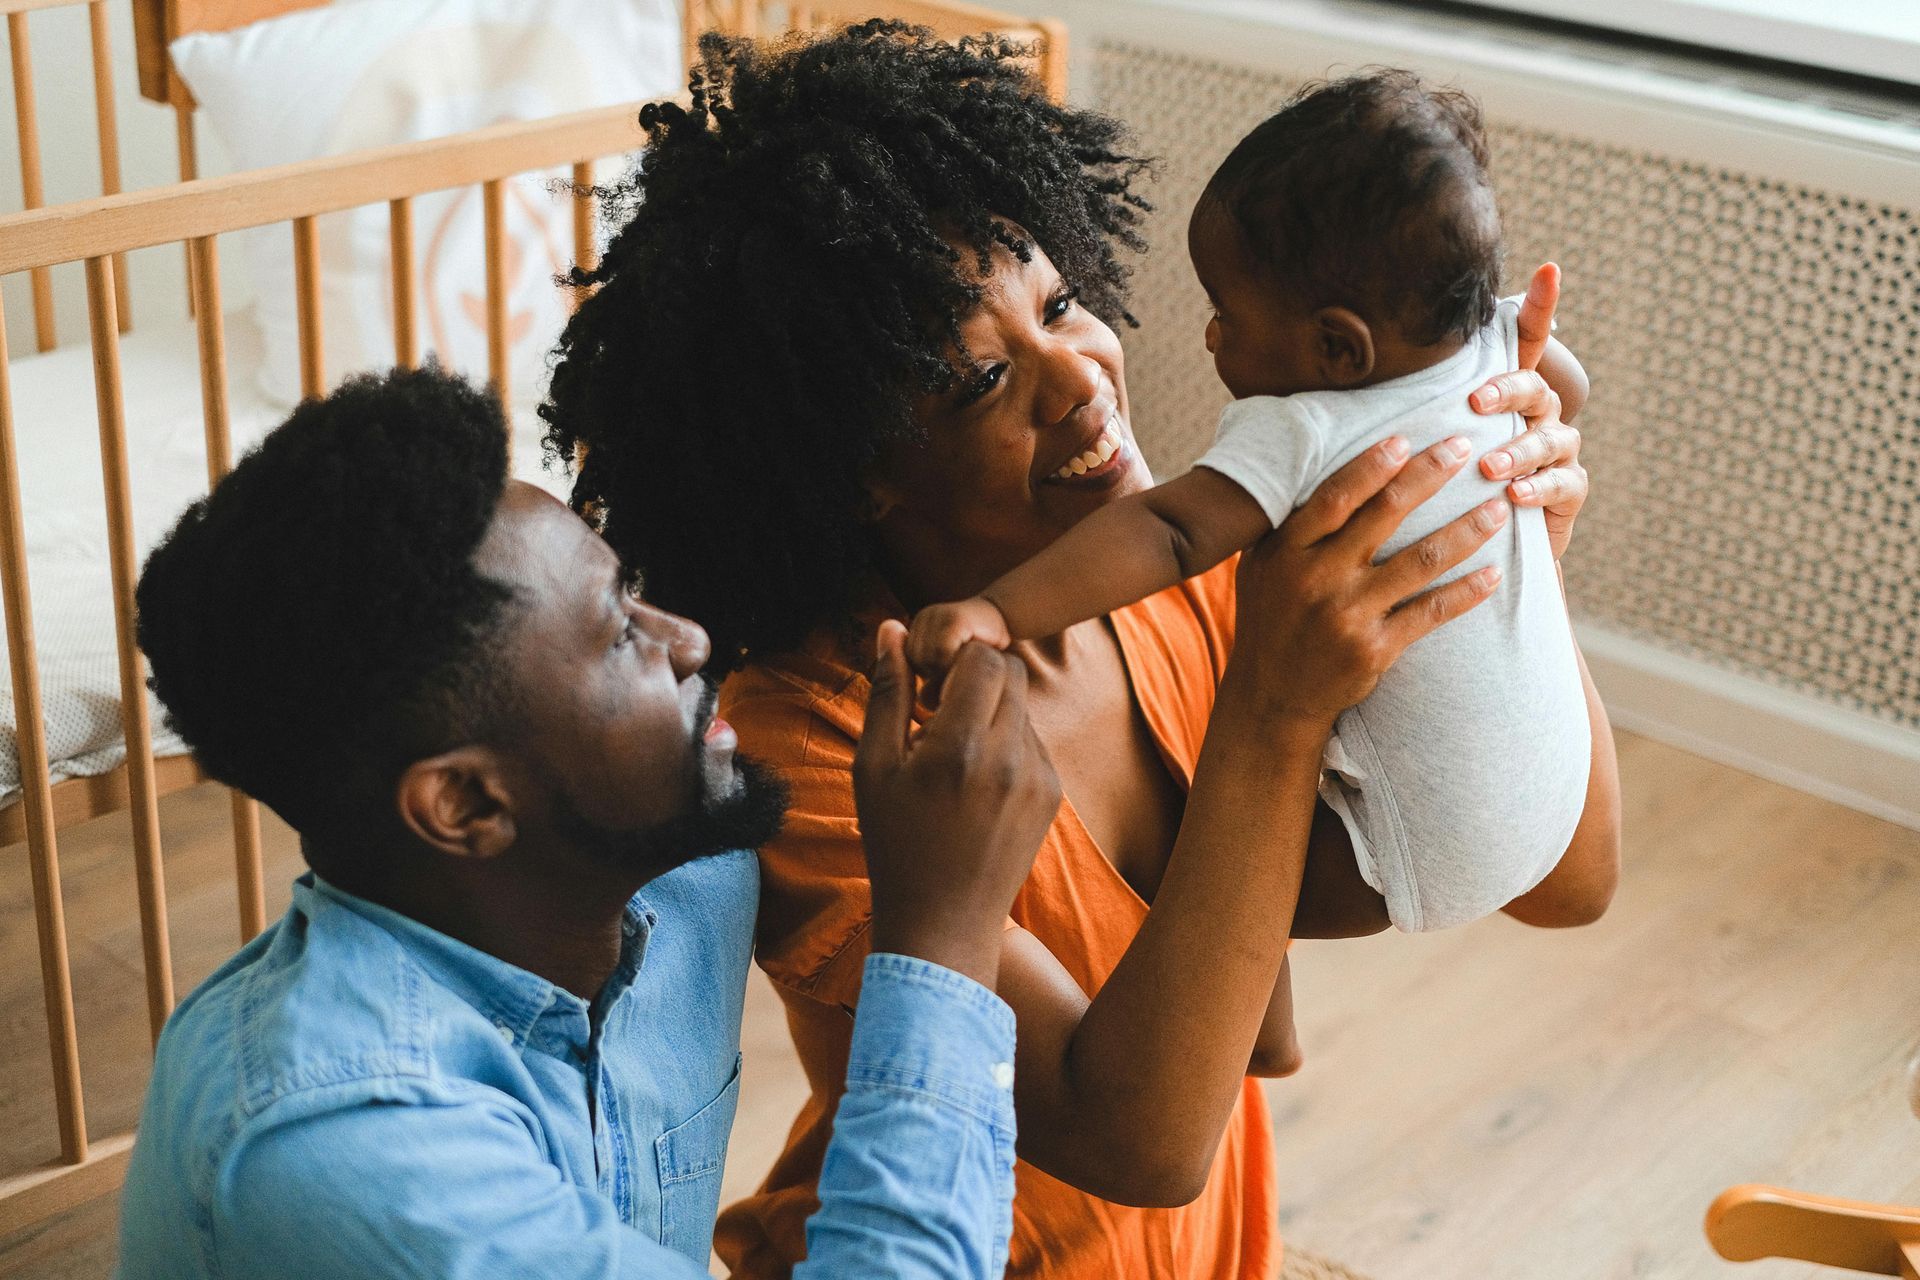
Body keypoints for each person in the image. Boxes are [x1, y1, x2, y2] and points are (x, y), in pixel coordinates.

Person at [542, 23, 1621, 1278]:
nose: (1083, 376)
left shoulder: (1171, 576)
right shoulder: (815, 747)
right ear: (854, 479)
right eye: (981, 382)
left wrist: (1513, 553)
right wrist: (1272, 713)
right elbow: (1144, 1139)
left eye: (1061, 305)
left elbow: (1566, 879)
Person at [116, 365, 1063, 1279]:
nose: (688, 640)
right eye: (621, 635)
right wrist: (942, 935)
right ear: (467, 806)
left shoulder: (679, 882)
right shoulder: (345, 1147)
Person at [906, 71, 1604, 935]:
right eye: (986, 377)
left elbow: (1168, 530)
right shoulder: (1491, 341)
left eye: (1226, 312)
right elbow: (1563, 384)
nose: (1210, 334)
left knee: (1224, 879)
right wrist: (1527, 403)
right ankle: (1264, 1029)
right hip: (1550, 781)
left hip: (1409, 848)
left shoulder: (1306, 428)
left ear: (1337, 349)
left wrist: (991, 612)